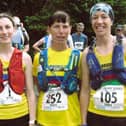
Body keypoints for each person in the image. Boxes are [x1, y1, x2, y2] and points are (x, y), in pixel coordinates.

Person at [80, 2, 126, 126]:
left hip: (122, 116)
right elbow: (84, 90)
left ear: (111, 20)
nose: (99, 21)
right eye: (95, 17)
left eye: (104, 16)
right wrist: (83, 122)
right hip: (96, 116)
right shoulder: (86, 54)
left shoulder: (124, 45)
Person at [33, 10, 82, 126]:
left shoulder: (79, 57)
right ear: (48, 29)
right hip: (44, 120)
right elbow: (37, 88)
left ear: (70, 29)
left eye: (65, 27)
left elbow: (84, 90)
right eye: (56, 26)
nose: (61, 31)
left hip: (71, 119)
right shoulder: (38, 58)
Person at [0, 13, 36, 126]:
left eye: (7, 27)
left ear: (14, 30)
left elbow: (30, 92)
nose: (4, 32)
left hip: (22, 116)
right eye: (0, 28)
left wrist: (32, 120)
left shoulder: (25, 58)